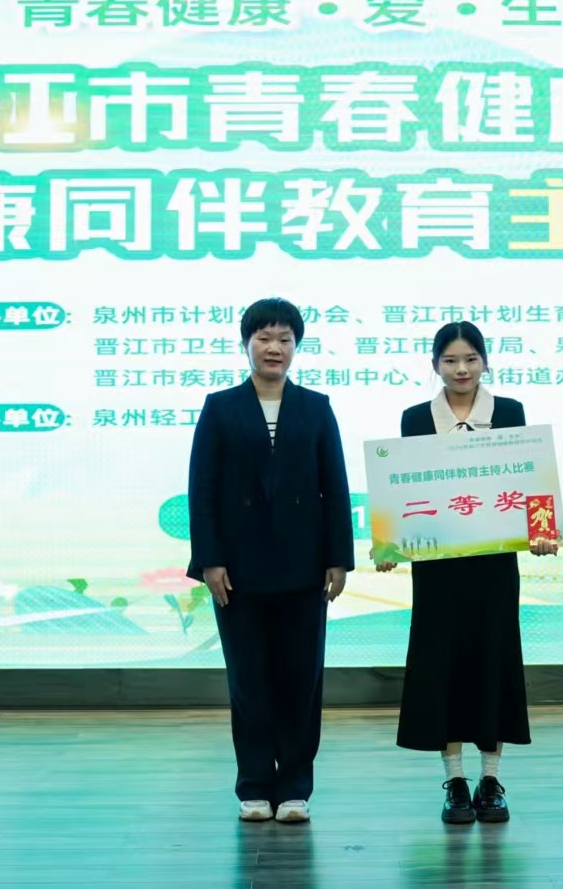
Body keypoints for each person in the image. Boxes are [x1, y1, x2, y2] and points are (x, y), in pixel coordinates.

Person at [378, 321, 560, 825]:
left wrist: (542, 530)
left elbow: (531, 476)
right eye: (450, 360)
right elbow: (403, 487)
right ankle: (456, 780)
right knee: (442, 664)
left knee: (492, 659)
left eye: (470, 359)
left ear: (485, 361)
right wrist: (390, 542)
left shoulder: (510, 413)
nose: (461, 369)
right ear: (435, 365)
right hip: (438, 567)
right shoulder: (416, 418)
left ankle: (491, 779)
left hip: (494, 564)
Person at [188, 298, 353, 825]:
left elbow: (335, 486)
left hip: (305, 567)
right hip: (237, 570)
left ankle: (296, 788)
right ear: (247, 344)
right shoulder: (220, 407)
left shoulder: (317, 407)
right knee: (249, 681)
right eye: (264, 338)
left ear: (296, 346)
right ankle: (255, 786)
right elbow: (202, 490)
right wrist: (210, 560)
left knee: (301, 681)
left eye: (284, 339)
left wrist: (338, 558)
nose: (274, 348)